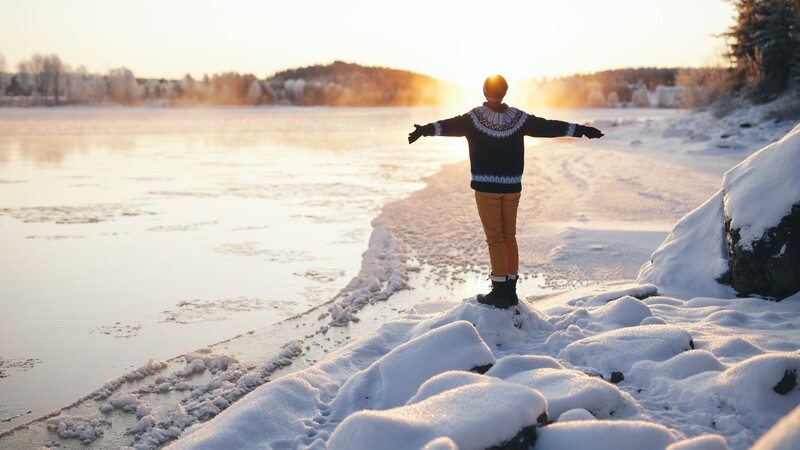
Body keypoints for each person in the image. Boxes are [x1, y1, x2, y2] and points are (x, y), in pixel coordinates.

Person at [408, 74, 603, 309]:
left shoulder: (473, 118)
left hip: (486, 187)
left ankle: (499, 290)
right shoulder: (518, 118)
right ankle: (510, 290)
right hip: (512, 186)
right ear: (505, 92)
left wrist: (424, 130)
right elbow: (548, 126)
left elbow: (450, 125)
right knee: (508, 236)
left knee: (495, 237)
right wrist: (581, 130)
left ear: (484, 91)